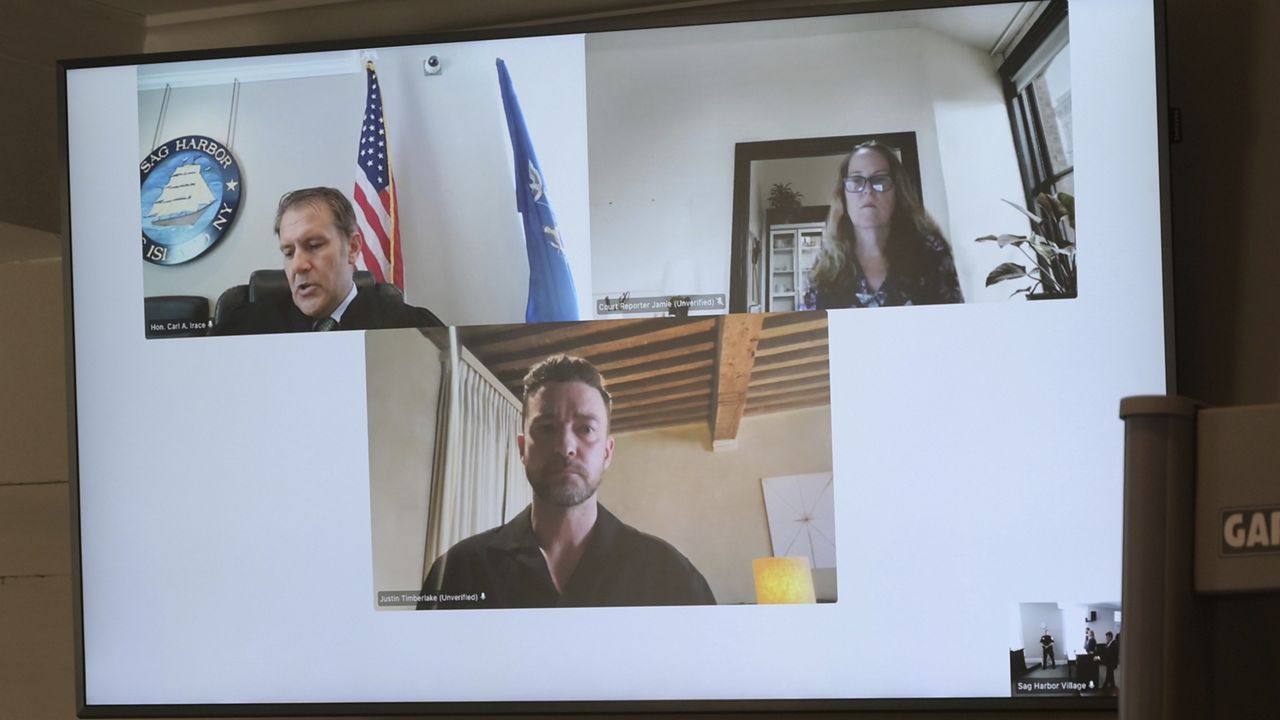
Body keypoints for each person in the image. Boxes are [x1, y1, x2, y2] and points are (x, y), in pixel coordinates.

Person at [417, 354, 716, 609]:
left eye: (585, 429)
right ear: (522, 448)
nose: (565, 447)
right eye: (546, 428)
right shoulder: (458, 571)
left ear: (607, 452)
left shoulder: (670, 574)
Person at [213, 187, 442, 335]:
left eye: (314, 246)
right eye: (289, 252)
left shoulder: (414, 329)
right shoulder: (244, 328)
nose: (298, 265)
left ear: (352, 248)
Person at [808, 139, 964, 309]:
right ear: (843, 196)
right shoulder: (826, 267)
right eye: (856, 180)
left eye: (880, 180)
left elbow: (954, 326)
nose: (868, 190)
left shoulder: (931, 255)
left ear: (898, 192)